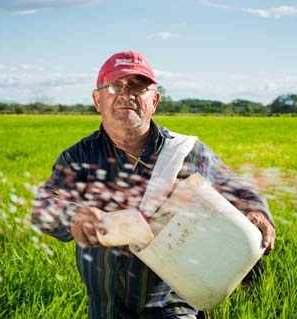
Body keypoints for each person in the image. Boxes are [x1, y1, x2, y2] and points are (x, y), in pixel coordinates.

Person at [32, 50, 275, 319]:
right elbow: (43, 208)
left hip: (174, 308)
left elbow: (236, 187)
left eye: (138, 87)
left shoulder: (185, 152)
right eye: (115, 86)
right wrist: (73, 215)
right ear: (97, 100)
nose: (126, 94)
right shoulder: (79, 157)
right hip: (106, 311)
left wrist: (257, 211)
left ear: (154, 100)